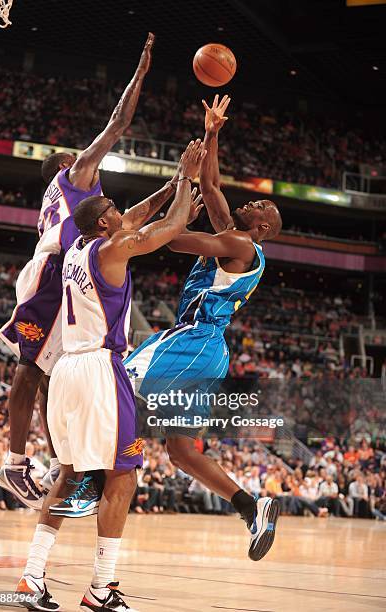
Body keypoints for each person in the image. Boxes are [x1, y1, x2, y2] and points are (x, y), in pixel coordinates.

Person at [61, 95, 282, 562]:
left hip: (194, 339)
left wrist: (143, 228)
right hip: (207, 350)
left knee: (124, 385)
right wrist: (213, 133)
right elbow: (214, 182)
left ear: (261, 228)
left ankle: (91, 480)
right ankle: (251, 506)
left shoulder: (239, 243)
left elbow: (174, 237)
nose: (254, 201)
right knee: (181, 451)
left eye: (261, 205)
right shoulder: (233, 236)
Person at [16, 140, 206, 611]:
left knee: (71, 474)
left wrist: (171, 186)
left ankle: (30, 578)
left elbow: (140, 214)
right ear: (104, 222)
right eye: (115, 209)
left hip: (64, 370)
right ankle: (101, 588)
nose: (122, 212)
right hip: (101, 368)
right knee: (123, 476)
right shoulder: (114, 246)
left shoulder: (80, 246)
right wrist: (188, 177)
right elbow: (172, 226)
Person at [0, 33, 162, 509]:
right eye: (79, 157)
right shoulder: (74, 178)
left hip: (61, 276)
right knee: (32, 368)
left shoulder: (64, 204)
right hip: (53, 279)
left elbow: (124, 222)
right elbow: (116, 124)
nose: (88, 160)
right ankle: (15, 462)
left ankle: (58, 465)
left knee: (53, 371)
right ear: (67, 167)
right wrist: (140, 74)